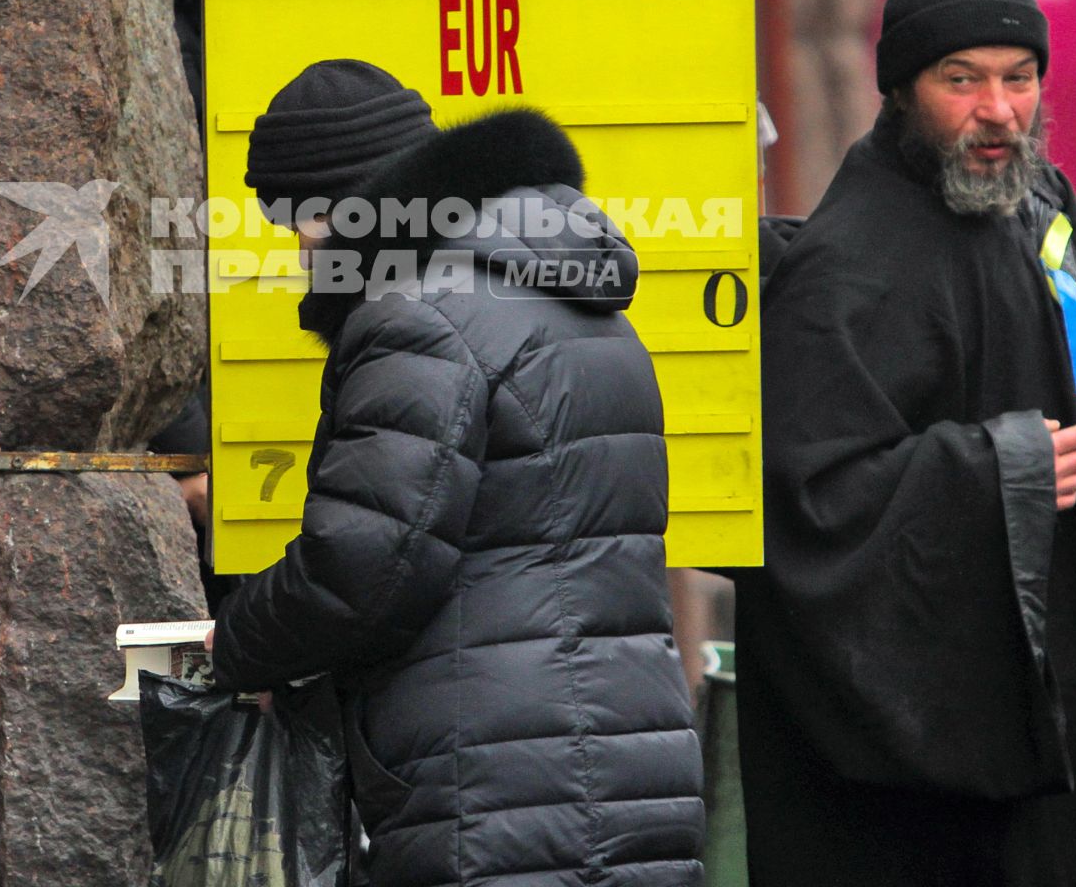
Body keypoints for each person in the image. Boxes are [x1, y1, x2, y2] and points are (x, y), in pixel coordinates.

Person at [734, 0, 1076, 886]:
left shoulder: (1038, 201)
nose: (998, 110)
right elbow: (803, 508)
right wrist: (992, 474)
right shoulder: (846, 269)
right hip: (970, 790)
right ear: (900, 90)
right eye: (961, 79)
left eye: (1019, 77)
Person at [204, 60, 705, 887]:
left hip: (492, 784)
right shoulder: (570, 295)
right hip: (626, 758)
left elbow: (364, 568)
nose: (298, 250)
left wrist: (237, 644)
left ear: (340, 207)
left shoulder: (416, 315)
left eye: (295, 219)